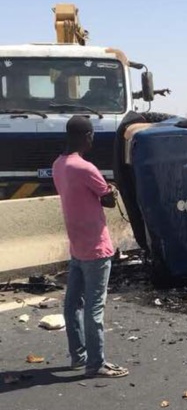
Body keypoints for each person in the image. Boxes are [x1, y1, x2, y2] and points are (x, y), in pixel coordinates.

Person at [52, 116, 129, 378]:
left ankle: (78, 356)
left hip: (76, 246)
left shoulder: (58, 165)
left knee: (73, 303)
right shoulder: (85, 168)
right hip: (96, 248)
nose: (93, 139)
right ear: (86, 136)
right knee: (94, 309)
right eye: (92, 135)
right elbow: (107, 201)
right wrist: (111, 190)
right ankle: (96, 364)